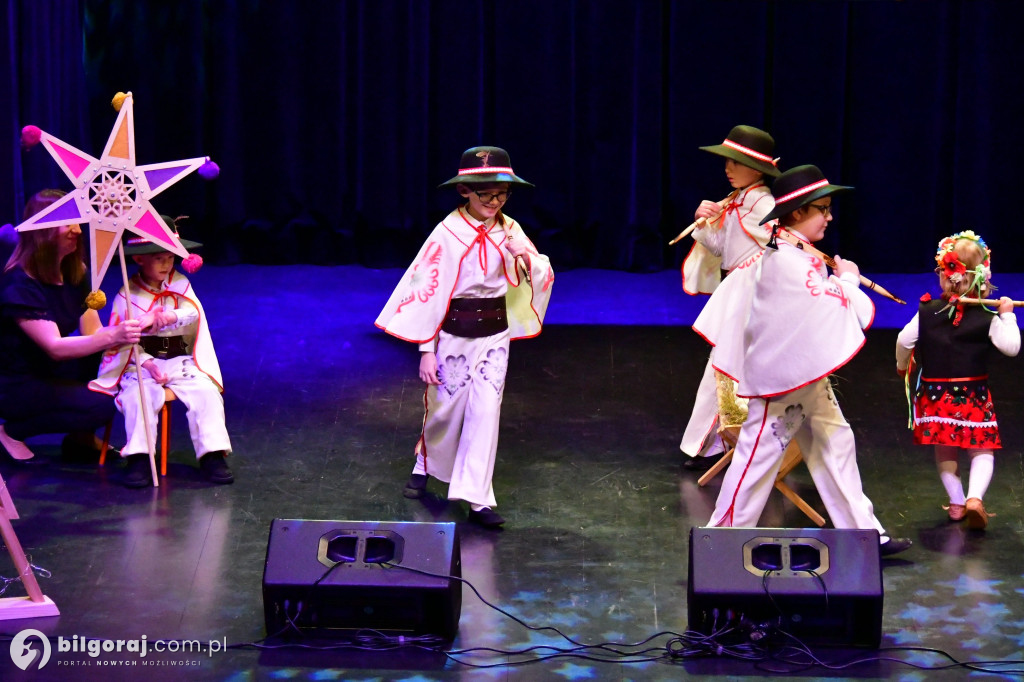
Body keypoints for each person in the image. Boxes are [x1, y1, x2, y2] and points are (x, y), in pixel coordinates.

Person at [693, 165, 911, 556]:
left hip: (802, 375)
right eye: (822, 209)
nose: (829, 216)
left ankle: (864, 534)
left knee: (835, 442)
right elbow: (831, 306)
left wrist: (840, 278)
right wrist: (847, 278)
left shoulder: (793, 252)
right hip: (783, 379)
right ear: (797, 213)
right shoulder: (784, 260)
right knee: (757, 456)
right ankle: (719, 539)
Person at [376, 146, 554, 528]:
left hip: (494, 334)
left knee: (486, 413)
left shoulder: (510, 228)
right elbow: (426, 289)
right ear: (464, 192)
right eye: (486, 193)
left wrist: (526, 255)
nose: (495, 201)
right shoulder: (448, 233)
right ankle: (425, 462)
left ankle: (477, 499)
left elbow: (538, 273)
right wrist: (426, 349)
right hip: (453, 335)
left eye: (502, 194)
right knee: (445, 411)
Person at [0, 189, 142, 462]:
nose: (78, 230)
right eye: (69, 223)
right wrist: (112, 336)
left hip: (48, 368)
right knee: (102, 406)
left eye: (79, 221)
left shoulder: (75, 271)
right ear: (43, 230)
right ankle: (12, 431)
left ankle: (81, 439)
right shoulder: (19, 284)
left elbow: (93, 333)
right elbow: (55, 347)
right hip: (16, 382)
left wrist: (129, 330)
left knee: (110, 373)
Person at [89, 218, 233, 487]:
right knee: (140, 396)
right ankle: (140, 458)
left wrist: (169, 316)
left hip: (179, 360)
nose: (166, 265)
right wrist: (147, 363)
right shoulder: (127, 294)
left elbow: (193, 314)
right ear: (140, 260)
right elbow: (122, 340)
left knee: (205, 392)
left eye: (170, 257)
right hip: (141, 364)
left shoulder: (180, 284)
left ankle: (212, 454)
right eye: (158, 258)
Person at [895, 231, 1019, 529]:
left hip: (936, 398)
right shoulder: (987, 317)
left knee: (945, 448)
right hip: (973, 396)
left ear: (943, 275)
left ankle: (956, 502)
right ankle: (975, 498)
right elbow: (1011, 348)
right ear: (982, 278)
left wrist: (902, 367)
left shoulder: (926, 311)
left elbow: (904, 340)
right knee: (981, 449)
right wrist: (1007, 315)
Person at [679, 125, 780, 472]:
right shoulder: (739, 201)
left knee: (726, 366)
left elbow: (777, 246)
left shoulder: (763, 203)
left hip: (752, 291)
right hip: (739, 287)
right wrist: (704, 221)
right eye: (727, 161)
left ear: (757, 168)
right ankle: (716, 443)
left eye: (736, 162)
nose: (728, 167)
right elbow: (723, 248)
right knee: (728, 367)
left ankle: (709, 444)